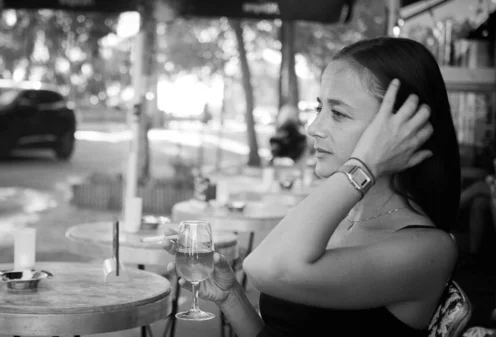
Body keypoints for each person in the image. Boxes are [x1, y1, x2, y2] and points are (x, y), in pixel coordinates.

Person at [162, 36, 461, 337]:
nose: (313, 128)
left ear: (401, 130)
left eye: (338, 113)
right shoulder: (339, 217)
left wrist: (363, 166)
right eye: (320, 108)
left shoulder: (427, 249)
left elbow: (266, 268)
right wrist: (230, 296)